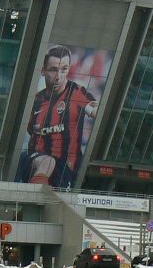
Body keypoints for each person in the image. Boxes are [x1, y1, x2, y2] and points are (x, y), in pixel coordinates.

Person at [15, 45, 99, 187]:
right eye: (53, 70)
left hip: (66, 167)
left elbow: (96, 111)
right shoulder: (36, 101)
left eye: (64, 69)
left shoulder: (77, 93)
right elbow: (29, 130)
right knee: (47, 162)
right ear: (43, 71)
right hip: (37, 161)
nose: (58, 76)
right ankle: (32, 194)